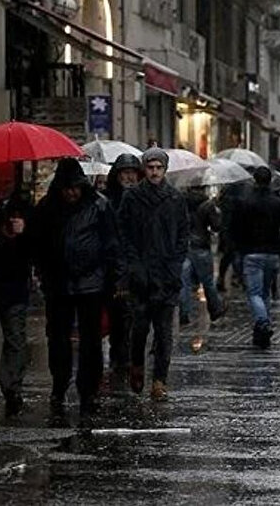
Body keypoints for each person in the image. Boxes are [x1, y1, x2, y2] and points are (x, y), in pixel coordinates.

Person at [31, 159, 120, 414]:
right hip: (58, 284)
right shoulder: (47, 208)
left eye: (75, 188)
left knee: (90, 340)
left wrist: (112, 278)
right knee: (58, 338)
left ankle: (88, 388)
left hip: (91, 283)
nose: (71, 193)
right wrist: (43, 271)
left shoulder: (99, 206)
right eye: (67, 188)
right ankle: (60, 383)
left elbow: (111, 244)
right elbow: (37, 243)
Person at [117, 148, 189, 401]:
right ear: (144, 169)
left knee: (164, 332)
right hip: (141, 276)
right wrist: (133, 266)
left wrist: (175, 265)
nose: (155, 172)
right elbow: (123, 232)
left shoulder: (175, 198)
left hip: (167, 276)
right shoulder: (132, 198)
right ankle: (137, 364)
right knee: (139, 328)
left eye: (159, 167)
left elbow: (183, 234)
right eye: (150, 167)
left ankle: (160, 380)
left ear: (165, 169)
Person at [0, 163, 31, 416]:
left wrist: (22, 234)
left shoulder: (22, 209)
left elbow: (34, 244)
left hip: (13, 285)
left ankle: (12, 387)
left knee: (15, 338)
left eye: (8, 182)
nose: (3, 187)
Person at [231, 167, 280, 348]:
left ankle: (263, 322)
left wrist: (240, 248)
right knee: (264, 292)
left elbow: (235, 228)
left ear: (254, 180)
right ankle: (261, 330)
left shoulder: (245, 202)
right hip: (272, 253)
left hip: (251, 253)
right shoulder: (279, 203)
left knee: (254, 293)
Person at [101, 154, 142, 388]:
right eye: (124, 172)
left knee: (130, 315)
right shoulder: (106, 200)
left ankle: (125, 357)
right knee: (116, 315)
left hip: (135, 266)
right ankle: (119, 355)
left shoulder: (142, 200)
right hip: (110, 267)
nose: (128, 177)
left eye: (132, 173)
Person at [180, 185, 225, 326]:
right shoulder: (207, 204)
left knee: (184, 283)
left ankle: (183, 313)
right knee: (208, 282)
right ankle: (215, 309)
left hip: (184, 246)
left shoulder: (180, 202)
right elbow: (217, 226)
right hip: (201, 247)